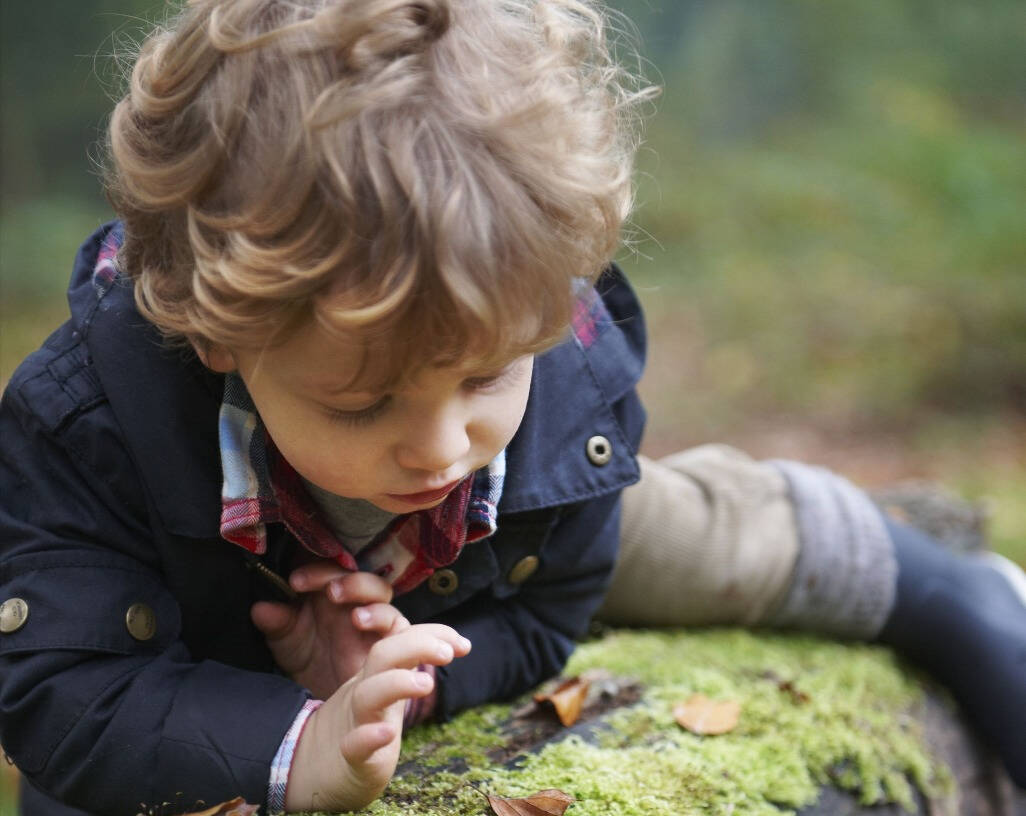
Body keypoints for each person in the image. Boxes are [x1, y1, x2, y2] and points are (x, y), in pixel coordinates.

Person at [0, 0, 1022, 813]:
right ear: (219, 334)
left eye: (486, 376)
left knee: (689, 530)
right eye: (364, 402)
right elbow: (62, 692)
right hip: (218, 616)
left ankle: (946, 591)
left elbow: (552, 604)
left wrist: (422, 679)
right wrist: (299, 738)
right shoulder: (91, 436)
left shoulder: (549, 397)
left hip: (504, 535)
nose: (441, 447)